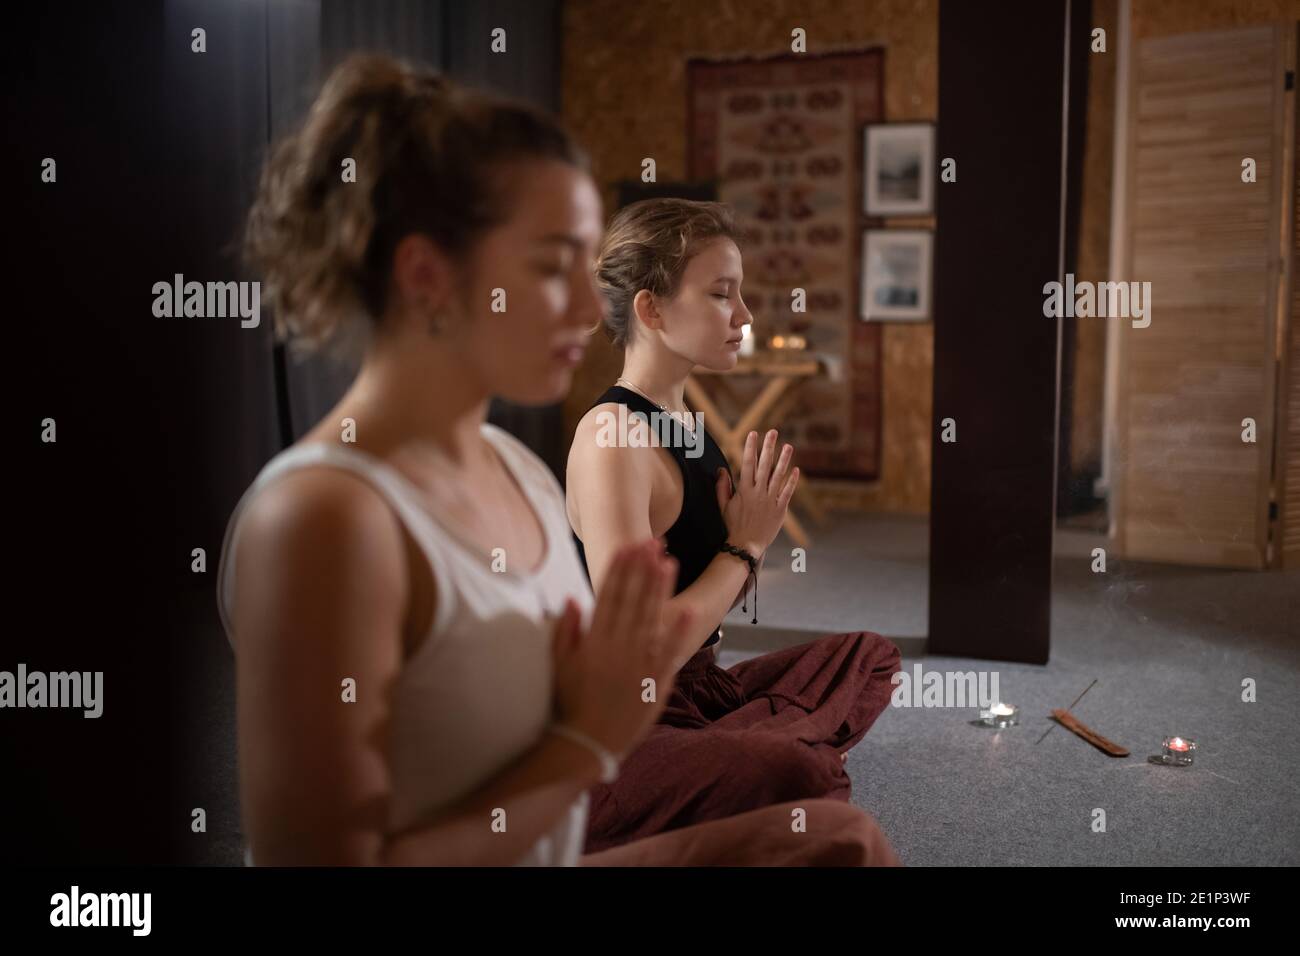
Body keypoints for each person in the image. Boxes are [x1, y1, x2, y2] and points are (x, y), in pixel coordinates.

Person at [218, 53, 899, 867]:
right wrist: (588, 743)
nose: (589, 307)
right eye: (551, 266)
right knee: (820, 818)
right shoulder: (319, 521)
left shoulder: (517, 470)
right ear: (428, 276)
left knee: (838, 836)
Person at [566, 198, 903, 853]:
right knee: (800, 774)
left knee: (870, 658)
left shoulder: (685, 418)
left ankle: (731, 761)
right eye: (723, 295)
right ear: (651, 310)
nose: (745, 316)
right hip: (630, 720)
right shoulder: (612, 440)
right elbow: (643, 653)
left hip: (702, 684)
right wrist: (744, 546)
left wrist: (735, 542)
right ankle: (745, 763)